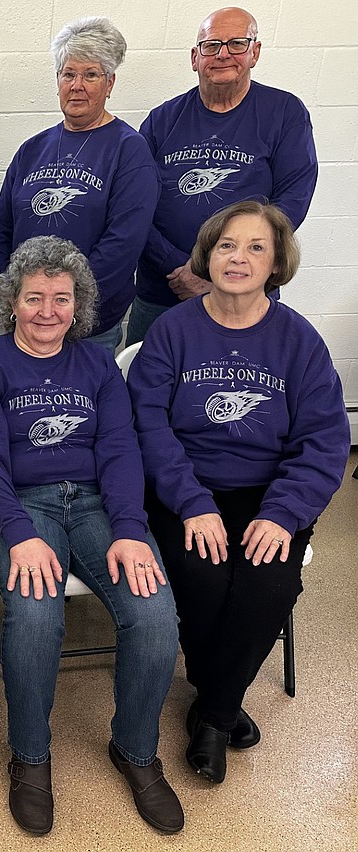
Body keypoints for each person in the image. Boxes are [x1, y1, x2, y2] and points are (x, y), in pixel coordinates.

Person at [0, 236, 183, 836]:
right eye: (35, 298)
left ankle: (135, 750)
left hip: (96, 504)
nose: (49, 311)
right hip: (22, 507)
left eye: (63, 298)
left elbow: (118, 449)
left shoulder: (97, 364)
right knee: (35, 616)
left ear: (79, 304)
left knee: (156, 615)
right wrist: (17, 532)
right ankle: (30, 757)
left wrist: (131, 529)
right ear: (12, 303)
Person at [127, 201, 348, 784]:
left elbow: (325, 441)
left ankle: (214, 711)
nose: (238, 258)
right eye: (227, 245)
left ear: (277, 263)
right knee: (202, 575)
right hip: (185, 488)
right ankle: (222, 707)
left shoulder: (298, 341)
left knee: (269, 581)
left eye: (255, 247)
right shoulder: (172, 331)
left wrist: (283, 514)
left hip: (269, 491)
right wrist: (193, 502)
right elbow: (147, 426)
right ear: (208, 254)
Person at [127, 6, 318, 345]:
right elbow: (135, 205)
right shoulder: (161, 120)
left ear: (255, 52)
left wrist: (223, 271)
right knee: (147, 389)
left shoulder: (285, 113)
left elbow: (293, 200)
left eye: (237, 44)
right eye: (211, 45)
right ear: (194, 57)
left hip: (245, 292)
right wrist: (180, 268)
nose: (223, 54)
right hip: (164, 290)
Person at [0, 17, 159, 353]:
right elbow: (1, 227)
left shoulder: (129, 149)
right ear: (58, 80)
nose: (77, 85)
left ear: (109, 83)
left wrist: (65, 307)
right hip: (25, 318)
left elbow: (123, 243)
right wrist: (7, 291)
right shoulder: (32, 149)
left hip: (89, 328)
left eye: (90, 74)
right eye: (69, 74)